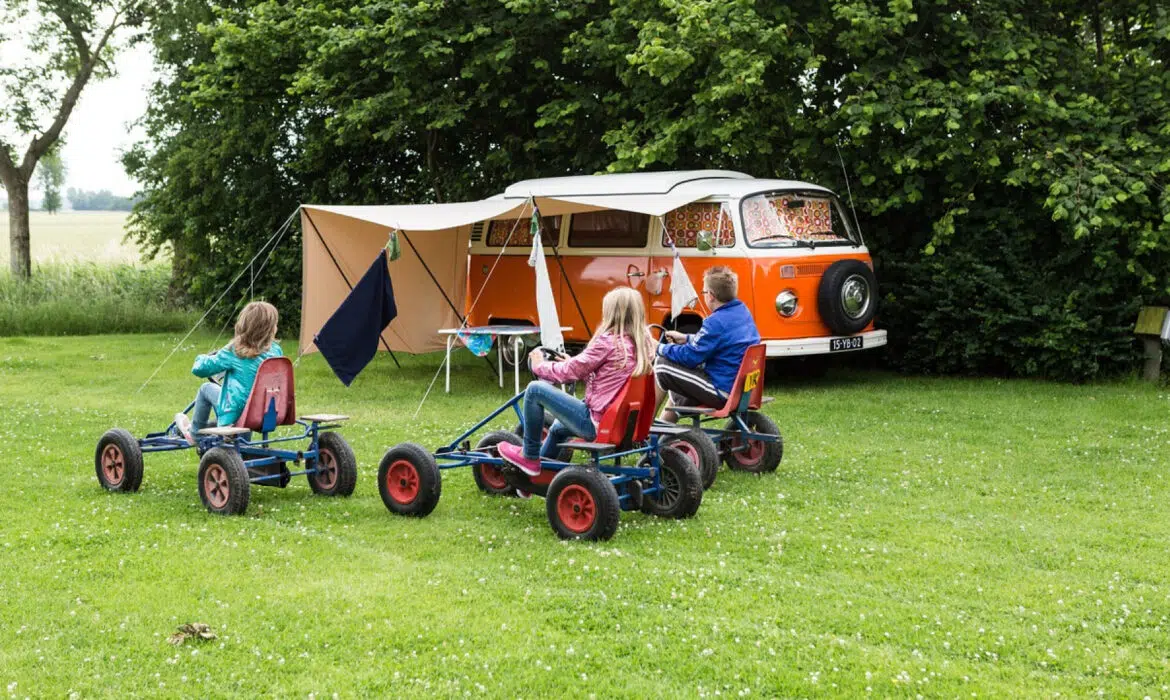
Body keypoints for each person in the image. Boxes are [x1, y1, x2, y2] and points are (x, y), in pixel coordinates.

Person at [497, 287, 654, 476]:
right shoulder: (640, 344)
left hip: (597, 423)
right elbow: (606, 375)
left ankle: (529, 456)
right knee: (556, 428)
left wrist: (539, 365)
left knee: (535, 389)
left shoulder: (607, 342)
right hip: (621, 423)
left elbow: (569, 373)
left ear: (612, 313)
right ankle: (538, 477)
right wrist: (571, 361)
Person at [655, 266, 760, 422]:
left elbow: (690, 357)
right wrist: (687, 338)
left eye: (704, 292)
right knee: (681, 384)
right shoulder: (742, 311)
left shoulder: (715, 322)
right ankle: (659, 434)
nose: (704, 295)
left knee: (662, 364)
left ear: (710, 296)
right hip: (741, 389)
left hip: (721, 391)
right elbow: (719, 341)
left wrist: (658, 347)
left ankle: (641, 430)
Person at [173, 301, 283, 444]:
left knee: (206, 389)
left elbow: (200, 369)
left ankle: (194, 435)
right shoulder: (276, 351)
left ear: (243, 324)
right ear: (271, 328)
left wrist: (203, 357)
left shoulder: (235, 350)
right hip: (266, 410)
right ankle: (241, 445)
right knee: (243, 397)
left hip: (238, 412)